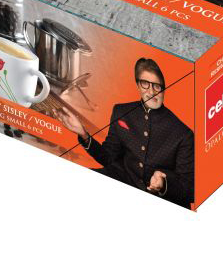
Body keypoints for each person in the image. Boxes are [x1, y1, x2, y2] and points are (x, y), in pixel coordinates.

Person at [59, 57, 194, 208]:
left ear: (164, 88)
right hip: (122, 180)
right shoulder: (121, 112)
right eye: (145, 84)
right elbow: (108, 158)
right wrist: (83, 134)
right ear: (138, 86)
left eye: (157, 86)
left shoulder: (183, 134)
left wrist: (164, 183)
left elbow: (190, 190)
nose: (151, 92)